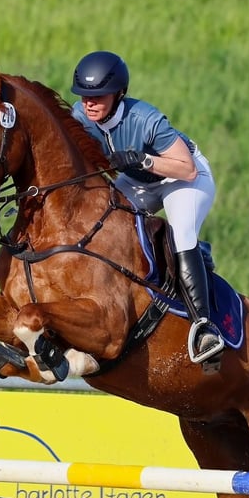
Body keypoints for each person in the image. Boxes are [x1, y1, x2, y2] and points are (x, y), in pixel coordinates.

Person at [70, 50, 224, 364]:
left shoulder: (145, 118)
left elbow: (187, 169)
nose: (90, 102)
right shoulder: (79, 116)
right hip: (141, 182)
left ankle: (204, 327)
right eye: (85, 95)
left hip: (182, 178)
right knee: (105, 222)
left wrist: (144, 159)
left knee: (181, 232)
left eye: (98, 96)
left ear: (119, 94)